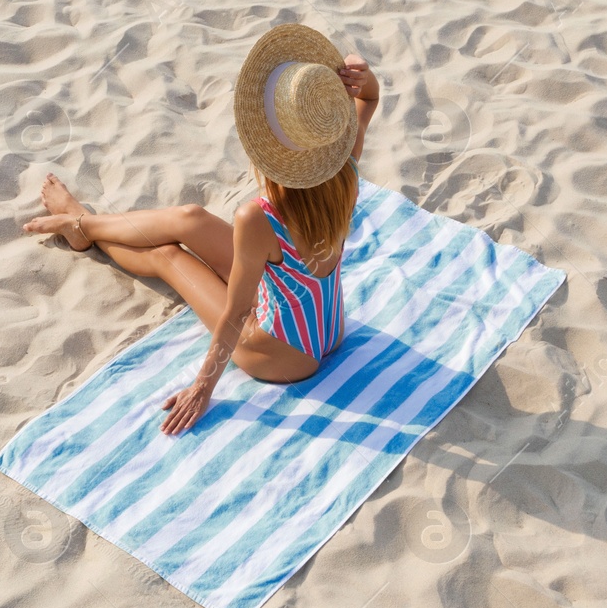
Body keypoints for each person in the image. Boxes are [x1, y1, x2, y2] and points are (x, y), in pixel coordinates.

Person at [22, 23, 380, 435]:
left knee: (168, 255)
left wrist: (202, 387)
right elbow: (368, 99)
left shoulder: (259, 218)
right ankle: (82, 222)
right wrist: (363, 78)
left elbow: (238, 311)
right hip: (329, 329)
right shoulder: (345, 168)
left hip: (281, 354)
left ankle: (80, 226)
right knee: (190, 217)